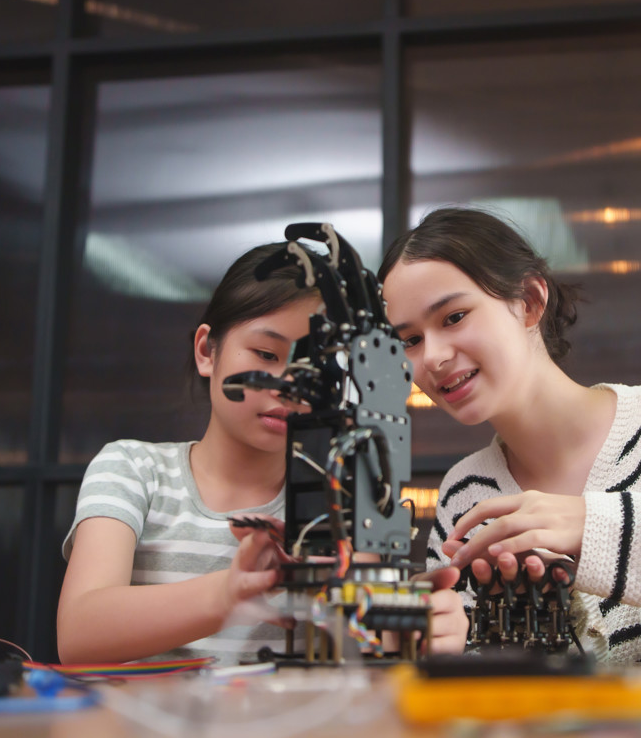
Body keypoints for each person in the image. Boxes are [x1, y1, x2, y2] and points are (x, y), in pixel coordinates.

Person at [57, 241, 467, 665]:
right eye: (266, 354)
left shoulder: (338, 496)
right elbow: (79, 634)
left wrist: (418, 628)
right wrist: (229, 591)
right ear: (206, 352)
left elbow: (358, 646)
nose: (288, 385)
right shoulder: (133, 470)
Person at [378, 206, 641, 665]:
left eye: (453, 317)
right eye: (409, 340)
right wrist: (451, 649)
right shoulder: (463, 495)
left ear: (529, 300)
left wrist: (594, 527)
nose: (431, 358)